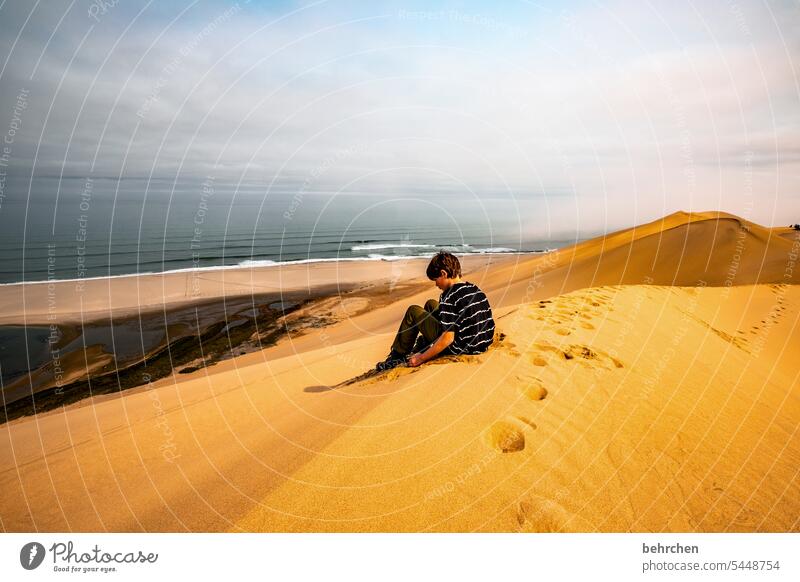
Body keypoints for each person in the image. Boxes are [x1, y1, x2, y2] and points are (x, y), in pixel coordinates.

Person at [375, 251, 496, 371]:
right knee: (431, 304)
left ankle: (397, 356)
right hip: (482, 342)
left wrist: (421, 358)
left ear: (443, 273)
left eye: (435, 279)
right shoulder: (474, 289)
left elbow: (448, 338)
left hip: (461, 347)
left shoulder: (449, 296)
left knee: (413, 311)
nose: (436, 284)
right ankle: (425, 344)